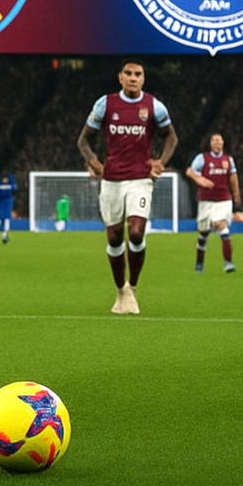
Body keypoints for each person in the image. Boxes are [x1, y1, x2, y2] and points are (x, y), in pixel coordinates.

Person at [77, 61, 177, 315]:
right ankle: (120, 290)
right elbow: (83, 140)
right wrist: (93, 162)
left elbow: (171, 137)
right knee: (113, 236)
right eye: (129, 74)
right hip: (111, 180)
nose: (133, 78)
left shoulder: (154, 106)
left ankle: (133, 285)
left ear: (143, 79)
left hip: (140, 179)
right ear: (120, 78)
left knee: (135, 232)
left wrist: (161, 162)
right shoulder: (105, 104)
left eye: (138, 74)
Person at [187, 133, 240, 273]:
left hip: (223, 199)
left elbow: (233, 177)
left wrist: (236, 194)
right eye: (214, 140)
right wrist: (200, 180)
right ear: (210, 143)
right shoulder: (202, 158)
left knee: (220, 224)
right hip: (206, 200)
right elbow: (190, 171)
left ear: (223, 143)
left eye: (219, 140)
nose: (217, 143)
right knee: (204, 232)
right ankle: (199, 264)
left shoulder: (228, 160)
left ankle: (228, 263)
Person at [0, 171, 17, 243]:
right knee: (7, 218)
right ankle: (5, 235)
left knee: (2, 216)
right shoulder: (10, 180)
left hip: (1, 200)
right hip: (8, 200)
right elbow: (15, 189)